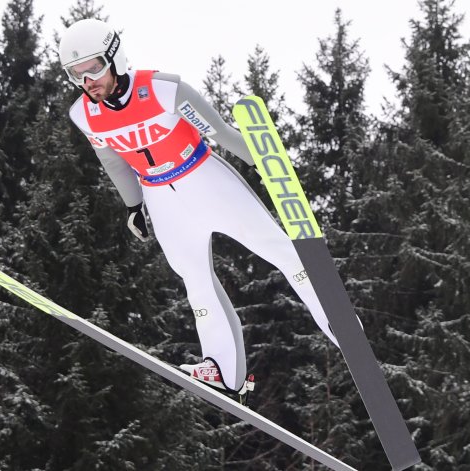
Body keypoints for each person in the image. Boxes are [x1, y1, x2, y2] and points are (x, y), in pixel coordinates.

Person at [59, 18, 339, 394]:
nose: (86, 80)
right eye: (76, 74)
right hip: (160, 196)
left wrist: (269, 165)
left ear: (114, 57)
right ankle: (224, 369)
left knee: (279, 251)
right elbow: (112, 161)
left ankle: (338, 322)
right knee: (195, 280)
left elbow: (219, 132)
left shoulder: (163, 90)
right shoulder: (84, 114)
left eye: (92, 67)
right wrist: (133, 207)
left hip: (203, 177)